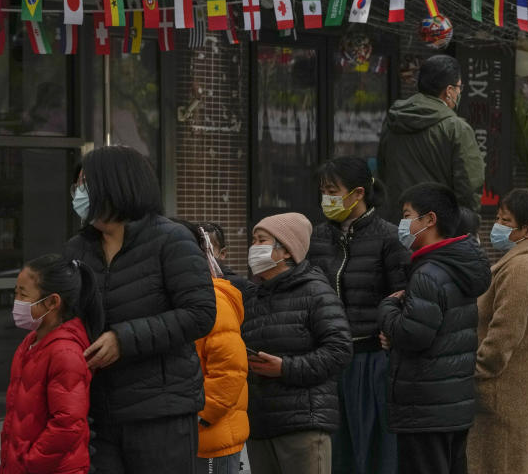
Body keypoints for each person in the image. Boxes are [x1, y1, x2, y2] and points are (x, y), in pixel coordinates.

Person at [63, 145, 216, 473]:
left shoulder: (171, 240)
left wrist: (123, 339)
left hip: (160, 411)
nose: (78, 192)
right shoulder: (78, 247)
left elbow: (199, 313)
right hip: (97, 411)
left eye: (86, 183)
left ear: (115, 184)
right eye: (77, 185)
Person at [378, 182, 491, 474]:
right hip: (451, 404)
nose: (402, 224)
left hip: (425, 407)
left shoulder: (428, 273)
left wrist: (388, 308)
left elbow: (413, 335)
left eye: (407, 215)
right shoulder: (456, 267)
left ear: (430, 219)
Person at [306, 157, 408, 474]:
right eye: (323, 190)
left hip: (371, 360)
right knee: (336, 454)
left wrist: (390, 328)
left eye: (333, 190)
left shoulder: (389, 237)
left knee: (376, 451)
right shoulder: (318, 237)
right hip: (327, 361)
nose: (327, 198)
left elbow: (402, 293)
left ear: (359, 193)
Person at [242, 212, 353, 474]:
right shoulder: (252, 296)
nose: (253, 248)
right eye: (254, 240)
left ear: (286, 251)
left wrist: (286, 368)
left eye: (261, 241)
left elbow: (339, 351)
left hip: (303, 426)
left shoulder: (315, 291)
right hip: (260, 426)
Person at [467, 189, 528, 474]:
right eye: (497, 218)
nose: (497, 226)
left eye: (505, 220)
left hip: (504, 401)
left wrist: (474, 372)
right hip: (518, 398)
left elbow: (502, 337)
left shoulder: (520, 269)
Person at [0, 253, 103, 474]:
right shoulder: (31, 342)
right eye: (16, 292)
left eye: (23, 294)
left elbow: (68, 425)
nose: (16, 300)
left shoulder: (65, 352)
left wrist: (30, 461)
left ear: (52, 302)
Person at [173, 219, 249, 474]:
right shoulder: (178, 296)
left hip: (212, 436)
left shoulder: (212, 300)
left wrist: (198, 416)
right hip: (190, 436)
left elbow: (231, 371)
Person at [377, 54, 485, 222]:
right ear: (449, 91)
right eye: (459, 87)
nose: (459, 93)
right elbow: (468, 187)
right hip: (437, 227)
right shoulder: (456, 128)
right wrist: (468, 224)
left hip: (397, 223)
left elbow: (383, 171)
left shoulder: (392, 122)